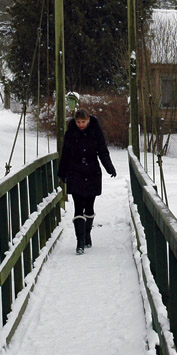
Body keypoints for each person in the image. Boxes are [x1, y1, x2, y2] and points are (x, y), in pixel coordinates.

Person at [58, 109, 117, 254]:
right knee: (78, 207)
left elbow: (102, 151)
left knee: (89, 207)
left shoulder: (96, 131)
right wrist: (62, 172)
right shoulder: (71, 132)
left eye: (83, 122)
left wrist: (109, 168)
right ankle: (80, 242)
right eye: (78, 122)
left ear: (88, 120)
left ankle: (87, 234)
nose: (80, 125)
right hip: (75, 172)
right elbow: (65, 153)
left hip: (92, 172)